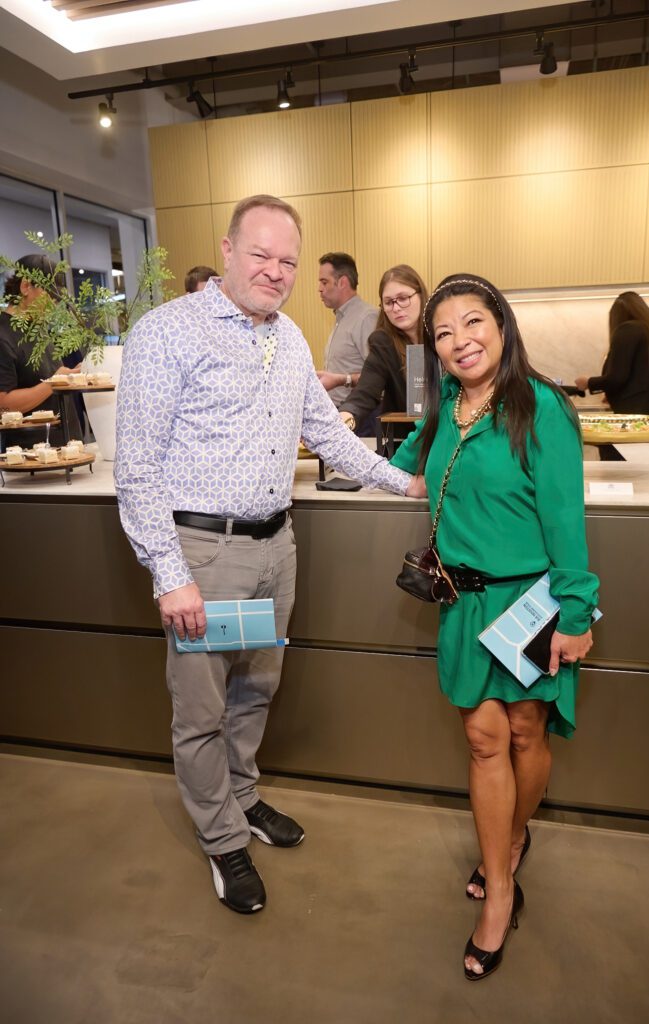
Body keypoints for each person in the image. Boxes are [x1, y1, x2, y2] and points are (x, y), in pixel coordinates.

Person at [114, 195, 422, 917]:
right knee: (200, 711)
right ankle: (221, 838)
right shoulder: (167, 333)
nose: (275, 272)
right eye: (261, 254)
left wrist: (401, 481)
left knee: (255, 691)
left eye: (288, 260)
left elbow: (328, 435)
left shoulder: (286, 340)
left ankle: (243, 799)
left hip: (274, 549)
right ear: (226, 250)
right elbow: (137, 469)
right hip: (203, 553)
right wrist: (170, 573)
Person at [390, 273, 599, 981]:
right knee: (482, 738)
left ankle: (508, 843)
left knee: (522, 732)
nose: (459, 341)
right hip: (462, 602)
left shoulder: (537, 408)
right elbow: (407, 466)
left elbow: (564, 519)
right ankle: (501, 885)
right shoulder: (447, 408)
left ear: (502, 326)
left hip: (529, 603)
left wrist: (575, 611)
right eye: (442, 333)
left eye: (472, 323)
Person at [575, 291, 649, 461]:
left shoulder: (628, 329)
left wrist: (588, 382)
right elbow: (644, 377)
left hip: (637, 421)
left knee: (614, 459)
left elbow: (617, 377)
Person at [338, 264, 427, 444]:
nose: (396, 308)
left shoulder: (443, 335)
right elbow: (365, 393)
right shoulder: (383, 342)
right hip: (406, 443)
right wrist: (342, 421)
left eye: (403, 298)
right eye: (388, 302)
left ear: (421, 295)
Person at [0, 255, 81, 446]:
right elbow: (3, 404)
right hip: (29, 460)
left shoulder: (39, 330)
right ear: (26, 286)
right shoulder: (2, 336)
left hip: (67, 451)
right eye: (51, 296)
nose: (54, 304)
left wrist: (71, 376)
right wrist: (53, 383)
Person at [316, 252, 378, 410]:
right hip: (339, 412)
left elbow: (378, 376)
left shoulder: (366, 318)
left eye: (324, 282)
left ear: (342, 282)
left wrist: (342, 379)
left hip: (360, 416)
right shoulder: (341, 319)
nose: (319, 289)